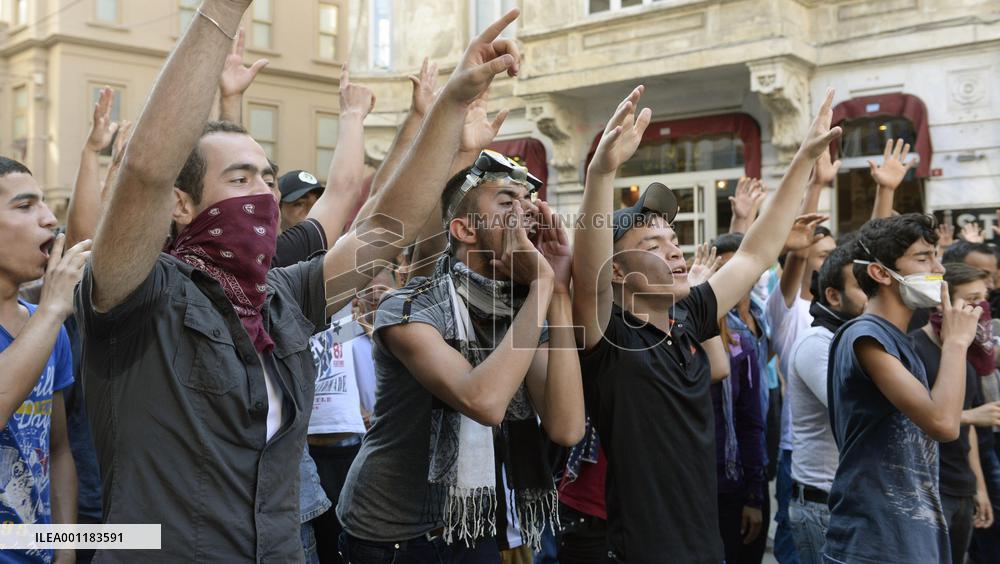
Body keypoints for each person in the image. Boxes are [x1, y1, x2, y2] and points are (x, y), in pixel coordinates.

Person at [75, 1, 523, 561]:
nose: (263, 194)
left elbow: (384, 230)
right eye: (239, 178)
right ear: (182, 203)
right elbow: (147, 169)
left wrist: (451, 104)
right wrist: (224, 11)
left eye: (267, 177)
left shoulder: (281, 295)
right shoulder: (140, 294)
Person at [571, 83, 842, 562]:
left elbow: (758, 251)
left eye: (673, 238)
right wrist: (602, 172)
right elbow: (588, 278)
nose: (674, 249)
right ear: (617, 270)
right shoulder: (610, 335)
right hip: (645, 551)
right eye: (653, 245)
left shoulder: (687, 316)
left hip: (706, 543)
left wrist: (802, 158)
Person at [337, 146, 584, 562]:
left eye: (528, 203)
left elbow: (566, 427)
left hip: (472, 525)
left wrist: (557, 291)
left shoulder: (521, 308)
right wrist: (541, 286)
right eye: (507, 202)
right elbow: (484, 401)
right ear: (465, 230)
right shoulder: (409, 305)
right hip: (392, 537)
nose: (526, 212)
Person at [825, 214, 980, 563]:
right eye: (923, 258)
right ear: (880, 273)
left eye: (936, 255)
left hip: (911, 536)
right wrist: (955, 344)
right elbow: (943, 423)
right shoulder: (865, 336)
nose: (938, 268)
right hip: (874, 539)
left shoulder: (898, 336)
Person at [0, 157, 91, 564]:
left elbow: (57, 449)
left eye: (44, 203)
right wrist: (54, 309)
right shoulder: (51, 315)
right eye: (25, 206)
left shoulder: (46, 323)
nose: (50, 218)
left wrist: (67, 548)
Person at [785, 244, 867, 563]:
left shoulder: (852, 337)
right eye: (863, 288)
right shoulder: (816, 343)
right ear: (833, 296)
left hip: (851, 500)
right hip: (824, 506)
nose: (873, 297)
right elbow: (856, 409)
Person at [910, 263, 995, 563]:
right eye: (971, 300)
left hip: (961, 484)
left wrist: (978, 487)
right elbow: (908, 420)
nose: (980, 309)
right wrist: (972, 416)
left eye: (984, 298)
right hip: (929, 488)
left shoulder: (965, 349)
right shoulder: (914, 349)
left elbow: (966, 428)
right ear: (942, 301)